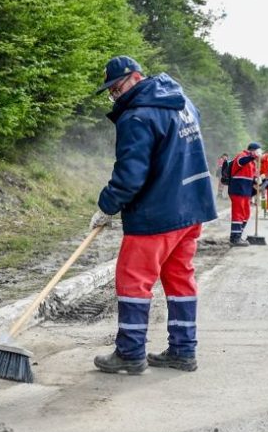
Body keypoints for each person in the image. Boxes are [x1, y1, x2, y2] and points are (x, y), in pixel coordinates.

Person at [90, 56, 217, 375]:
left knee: (133, 279)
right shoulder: (183, 102)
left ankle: (130, 353)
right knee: (180, 278)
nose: (115, 96)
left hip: (158, 212)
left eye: (116, 88)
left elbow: (130, 174)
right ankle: (183, 351)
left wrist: (107, 205)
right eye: (111, 92)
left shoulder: (136, 116)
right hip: (191, 209)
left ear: (135, 77)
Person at [227, 142, 261, 245]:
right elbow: (241, 162)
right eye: (258, 151)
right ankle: (234, 238)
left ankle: (239, 235)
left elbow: (252, 176)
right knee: (238, 214)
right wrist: (253, 156)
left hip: (246, 192)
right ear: (253, 150)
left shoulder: (253, 163)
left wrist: (257, 179)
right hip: (237, 189)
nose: (259, 154)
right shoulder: (242, 155)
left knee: (246, 214)